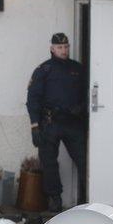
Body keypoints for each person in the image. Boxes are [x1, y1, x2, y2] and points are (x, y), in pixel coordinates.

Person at [25, 32, 88, 212]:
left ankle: (88, 196)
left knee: (84, 160)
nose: (64, 50)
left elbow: (89, 93)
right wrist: (34, 126)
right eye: (60, 47)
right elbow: (33, 99)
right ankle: (54, 199)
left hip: (73, 122)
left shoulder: (77, 68)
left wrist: (81, 108)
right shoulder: (44, 70)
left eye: (66, 47)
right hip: (50, 122)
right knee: (49, 162)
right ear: (52, 48)